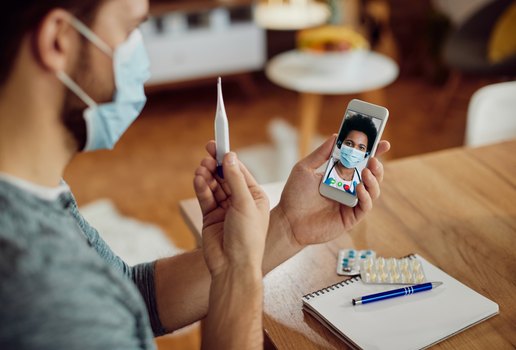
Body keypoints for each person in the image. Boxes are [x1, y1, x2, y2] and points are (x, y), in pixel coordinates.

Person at [0, 1, 390, 349]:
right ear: (59, 40)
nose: (142, 54)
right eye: (132, 28)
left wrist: (286, 226)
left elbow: (127, 295)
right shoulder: (40, 290)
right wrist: (239, 275)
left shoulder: (33, 192)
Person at [324, 114, 378, 195]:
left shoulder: (362, 180)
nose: (353, 151)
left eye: (361, 148)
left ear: (366, 154)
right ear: (340, 143)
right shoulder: (324, 166)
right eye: (349, 143)